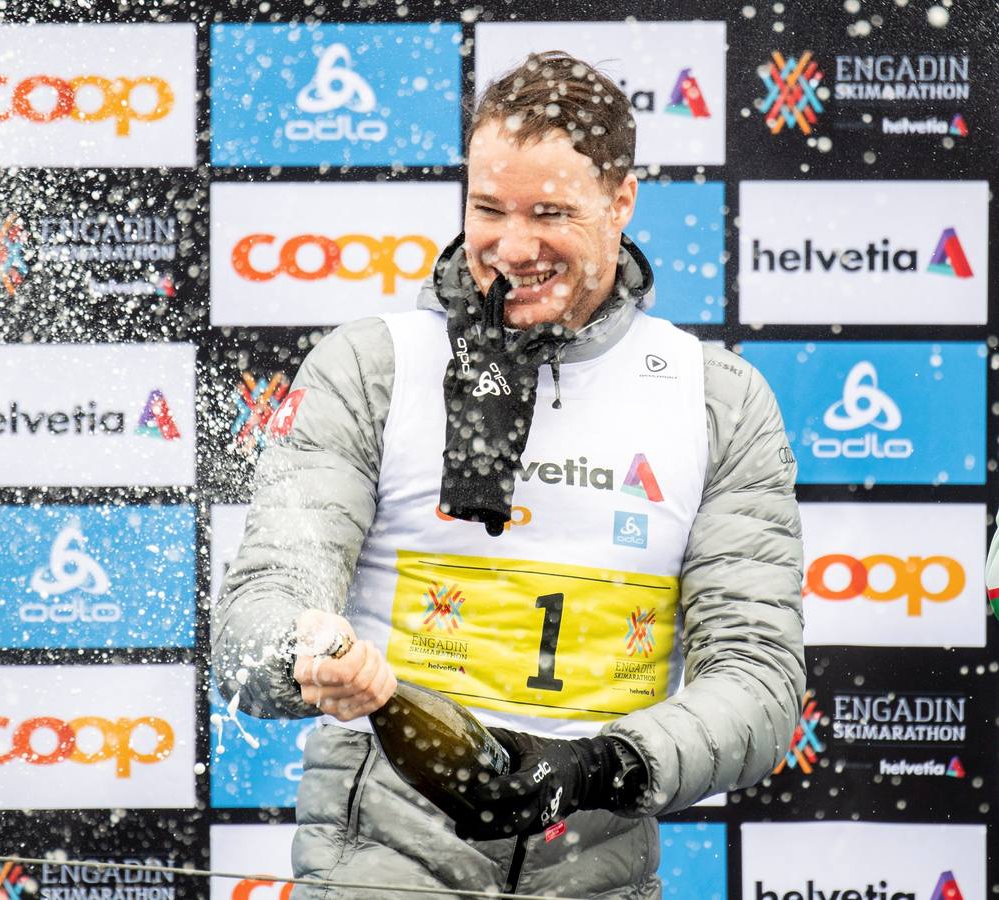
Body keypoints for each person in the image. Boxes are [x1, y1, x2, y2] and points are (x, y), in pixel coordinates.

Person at [213, 50, 805, 898]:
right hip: (380, 866)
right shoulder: (371, 366)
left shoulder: (715, 396)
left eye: (551, 213)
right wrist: (307, 656)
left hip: (598, 867)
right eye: (487, 208)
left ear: (622, 201)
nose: (510, 245)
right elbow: (256, 618)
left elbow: (758, 680)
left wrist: (603, 766)